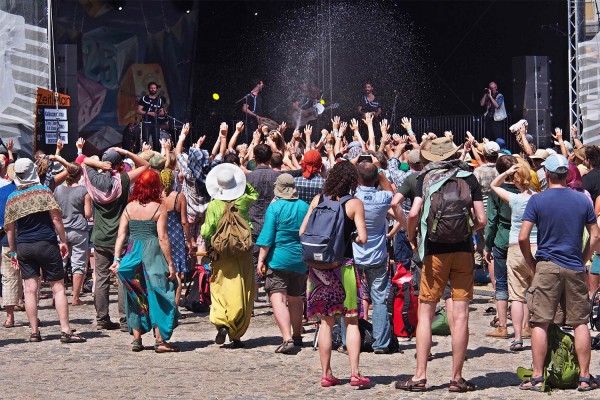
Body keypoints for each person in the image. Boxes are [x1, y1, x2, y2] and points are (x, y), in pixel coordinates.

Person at [397, 137, 486, 392]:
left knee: (426, 313)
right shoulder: (469, 178)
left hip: (434, 251)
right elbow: (482, 218)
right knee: (460, 316)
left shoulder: (425, 179)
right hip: (462, 251)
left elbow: (413, 214)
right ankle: (457, 378)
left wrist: (412, 236)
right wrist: (467, 228)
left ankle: (420, 376)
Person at [518, 153, 599, 391]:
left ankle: (537, 376)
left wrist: (532, 262)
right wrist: (583, 258)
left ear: (548, 174)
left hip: (546, 265)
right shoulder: (583, 200)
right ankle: (584, 377)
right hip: (574, 265)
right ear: (567, 174)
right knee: (579, 322)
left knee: (540, 322)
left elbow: (523, 236)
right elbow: (595, 235)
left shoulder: (537, 200)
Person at [299, 161, 370, 388]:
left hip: (319, 271)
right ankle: (355, 373)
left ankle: (326, 373)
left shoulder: (318, 201)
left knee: (325, 324)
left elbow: (302, 232)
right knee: (350, 322)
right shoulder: (354, 204)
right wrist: (350, 237)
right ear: (352, 181)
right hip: (344, 267)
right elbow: (363, 238)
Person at [4, 158, 86, 343]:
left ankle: (34, 332)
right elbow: (56, 219)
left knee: (30, 290)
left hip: (24, 245)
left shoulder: (12, 198)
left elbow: (10, 228)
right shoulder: (43, 191)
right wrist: (63, 241)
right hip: (46, 243)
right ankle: (65, 330)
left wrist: (13, 251)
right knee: (57, 288)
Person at [111, 169, 179, 353]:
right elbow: (163, 238)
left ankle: (136, 340)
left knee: (135, 296)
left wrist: (117, 259)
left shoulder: (129, 207)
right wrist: (171, 263)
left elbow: (121, 235)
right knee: (159, 293)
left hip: (132, 254)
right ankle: (160, 340)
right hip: (153, 253)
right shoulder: (158, 207)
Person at [83, 147, 150, 331]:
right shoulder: (122, 180)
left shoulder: (93, 180)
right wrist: (126, 152)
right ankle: (124, 319)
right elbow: (146, 165)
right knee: (122, 277)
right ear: (120, 165)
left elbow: (84, 160)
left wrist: (98, 164)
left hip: (99, 236)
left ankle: (102, 317)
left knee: (101, 277)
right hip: (121, 236)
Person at [201, 163, 258, 348]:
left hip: (221, 252)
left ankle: (222, 322)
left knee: (220, 288)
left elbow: (206, 231)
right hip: (243, 251)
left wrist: (212, 244)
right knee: (243, 289)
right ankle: (237, 333)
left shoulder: (214, 205)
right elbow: (253, 194)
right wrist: (240, 178)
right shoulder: (243, 201)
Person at [255, 174, 309, 353]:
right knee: (296, 298)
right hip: (300, 259)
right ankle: (298, 334)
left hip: (278, 259)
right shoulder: (305, 207)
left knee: (278, 297)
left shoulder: (274, 208)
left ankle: (287, 338)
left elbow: (267, 237)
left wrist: (261, 260)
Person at [352, 160, 401, 354]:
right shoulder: (382, 197)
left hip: (355, 252)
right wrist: (380, 173)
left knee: (350, 299)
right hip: (377, 253)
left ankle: (349, 339)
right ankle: (380, 342)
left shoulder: (352, 197)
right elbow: (393, 195)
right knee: (379, 299)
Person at [489, 157, 536, 351]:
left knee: (516, 295)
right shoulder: (539, 198)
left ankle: (517, 337)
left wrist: (507, 173)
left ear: (515, 179)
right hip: (536, 247)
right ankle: (532, 327)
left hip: (516, 247)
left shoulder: (515, 199)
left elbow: (494, 185)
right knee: (535, 292)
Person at [485, 155, 519, 339]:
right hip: (523, 240)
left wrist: (487, 245)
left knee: (501, 282)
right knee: (524, 284)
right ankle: (525, 325)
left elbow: (491, 220)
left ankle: (503, 325)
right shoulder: (526, 190)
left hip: (502, 238)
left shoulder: (496, 192)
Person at [53, 163, 92, 306]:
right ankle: (75, 297)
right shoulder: (83, 191)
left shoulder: (57, 190)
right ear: (80, 174)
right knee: (78, 263)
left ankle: (57, 295)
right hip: (78, 230)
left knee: (60, 263)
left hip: (61, 229)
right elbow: (88, 214)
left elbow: (55, 211)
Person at [246, 144, 279, 302]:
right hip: (272, 225)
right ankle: (272, 299)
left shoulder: (248, 178)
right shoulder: (277, 177)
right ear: (269, 157)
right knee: (272, 264)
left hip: (253, 224)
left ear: (255, 157)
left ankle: (251, 304)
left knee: (252, 265)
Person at [160, 168, 192, 308]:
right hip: (177, 236)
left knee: (163, 271)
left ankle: (164, 305)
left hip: (161, 234)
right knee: (177, 273)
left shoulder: (157, 197)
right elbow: (184, 221)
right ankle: (175, 306)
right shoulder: (180, 197)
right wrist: (189, 240)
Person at [0, 164, 21, 328]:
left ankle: (9, 317)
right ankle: (13, 316)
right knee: (15, 278)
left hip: (7, 238)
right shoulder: (16, 191)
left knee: (9, 277)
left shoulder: (7, 191)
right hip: (18, 237)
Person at [137, 81, 168, 151]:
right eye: (151, 88)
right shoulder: (144, 98)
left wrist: (162, 112)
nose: (153, 89)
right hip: (146, 123)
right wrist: (149, 113)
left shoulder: (159, 100)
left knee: (156, 141)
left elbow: (161, 110)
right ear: (149, 89)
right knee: (145, 141)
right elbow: (139, 110)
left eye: (154, 88)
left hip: (156, 123)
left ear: (156, 89)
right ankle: (145, 157)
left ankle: (157, 156)